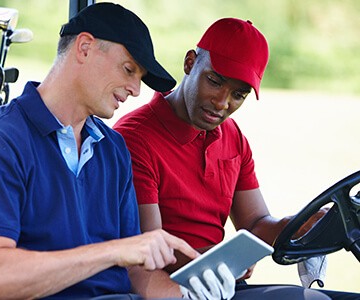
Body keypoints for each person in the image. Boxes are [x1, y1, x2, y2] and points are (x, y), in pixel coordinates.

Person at [0, 3, 201, 299]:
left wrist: (187, 295)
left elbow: (134, 269)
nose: (136, 89)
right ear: (85, 47)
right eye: (129, 70)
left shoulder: (113, 150)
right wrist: (114, 251)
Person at [114, 18, 360, 299]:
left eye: (238, 95)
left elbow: (256, 223)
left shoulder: (232, 135)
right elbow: (147, 253)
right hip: (171, 289)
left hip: (221, 284)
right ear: (190, 63)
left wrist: (304, 224)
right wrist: (223, 261)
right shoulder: (135, 138)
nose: (222, 103)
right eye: (215, 82)